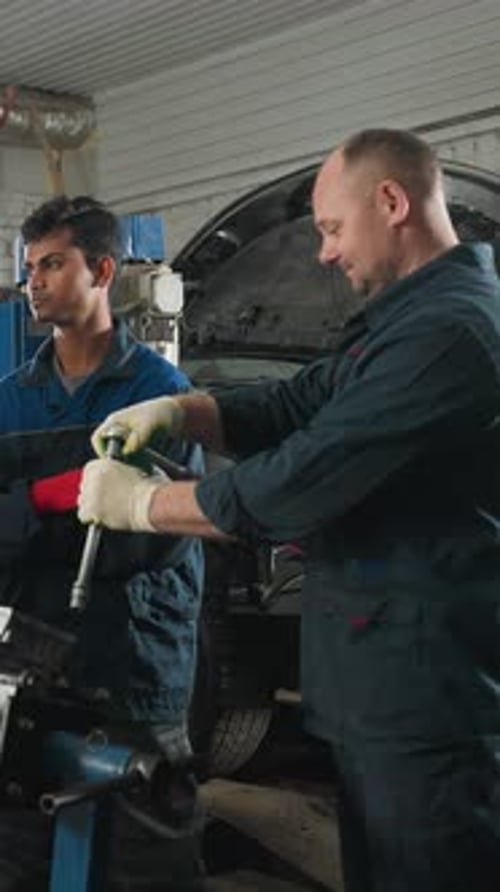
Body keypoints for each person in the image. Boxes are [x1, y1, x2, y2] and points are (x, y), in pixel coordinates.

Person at [80, 128, 500, 891]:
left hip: (427, 709)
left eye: (333, 229)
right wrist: (186, 409)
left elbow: (298, 482)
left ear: (393, 201)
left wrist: (142, 504)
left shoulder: (454, 334)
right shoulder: (407, 320)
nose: (325, 253)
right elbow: (300, 399)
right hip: (382, 696)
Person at [0, 195, 204, 891]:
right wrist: (50, 503)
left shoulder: (159, 395)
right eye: (30, 268)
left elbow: (160, 539)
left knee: (143, 854)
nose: (36, 281)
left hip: (133, 666)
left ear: (104, 269)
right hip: (29, 661)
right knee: (21, 849)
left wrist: (26, 528)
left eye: (54, 263)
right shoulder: (9, 401)